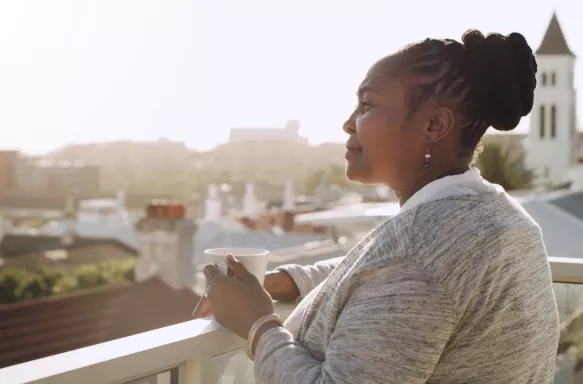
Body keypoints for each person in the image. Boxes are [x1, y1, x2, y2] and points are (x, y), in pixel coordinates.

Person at [194, 29, 560, 383]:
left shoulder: (418, 254)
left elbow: (409, 273)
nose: (348, 123)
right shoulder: (498, 216)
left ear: (434, 125)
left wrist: (258, 324)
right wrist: (292, 282)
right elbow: (386, 277)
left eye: (367, 104)